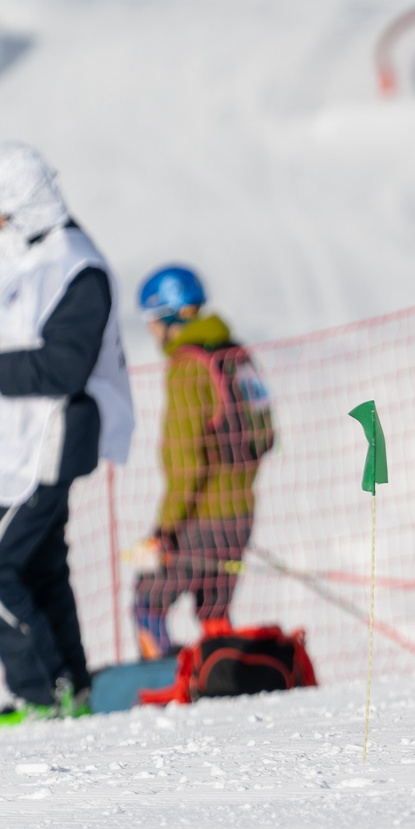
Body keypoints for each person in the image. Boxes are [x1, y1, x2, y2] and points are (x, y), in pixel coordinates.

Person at [0, 143, 134, 724]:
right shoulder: (22, 259)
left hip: (46, 446)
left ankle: (40, 695)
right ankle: (70, 685)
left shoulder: (78, 269)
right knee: (39, 568)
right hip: (14, 443)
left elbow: (63, 366)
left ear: (26, 207)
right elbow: (8, 331)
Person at [129, 265, 273, 658]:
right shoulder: (237, 354)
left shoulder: (187, 366)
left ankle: (160, 688)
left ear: (168, 318)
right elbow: (265, 433)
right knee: (214, 612)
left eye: (152, 322)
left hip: (201, 517)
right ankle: (221, 678)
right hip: (241, 516)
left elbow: (185, 463)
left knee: (147, 602)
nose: (152, 333)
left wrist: (164, 530)